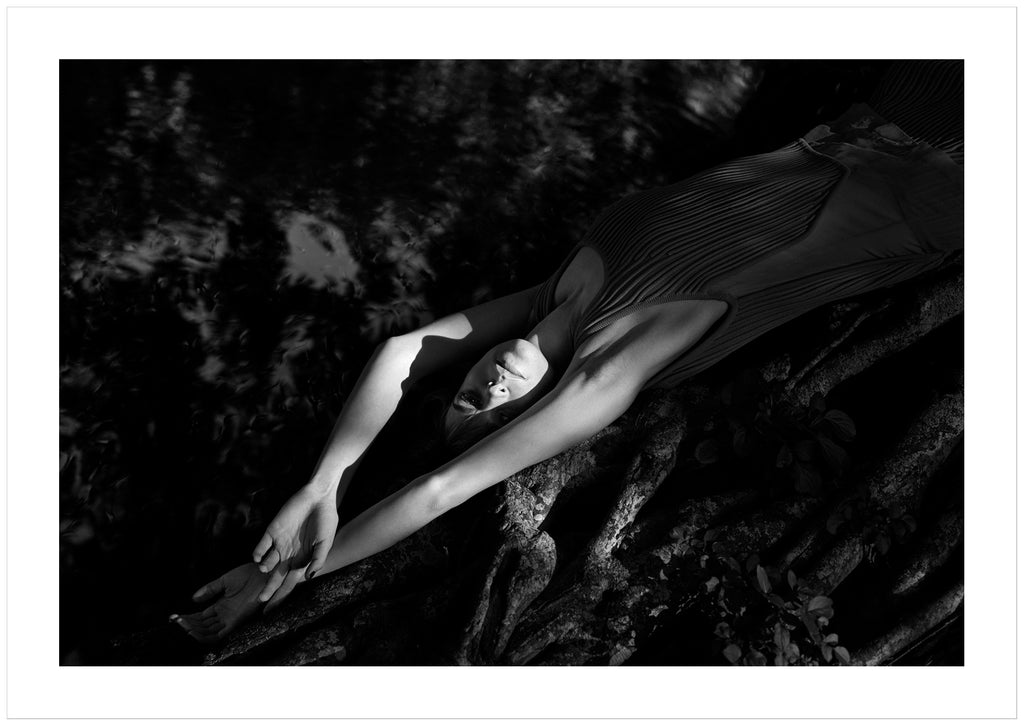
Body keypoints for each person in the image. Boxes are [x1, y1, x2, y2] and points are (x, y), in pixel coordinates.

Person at [171, 60, 963, 643]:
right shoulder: (611, 368)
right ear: (539, 415)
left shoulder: (547, 297)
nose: (479, 389)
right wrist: (282, 576)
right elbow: (440, 488)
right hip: (934, 182)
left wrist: (321, 483)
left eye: (463, 394)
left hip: (867, 124)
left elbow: (402, 350)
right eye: (492, 413)